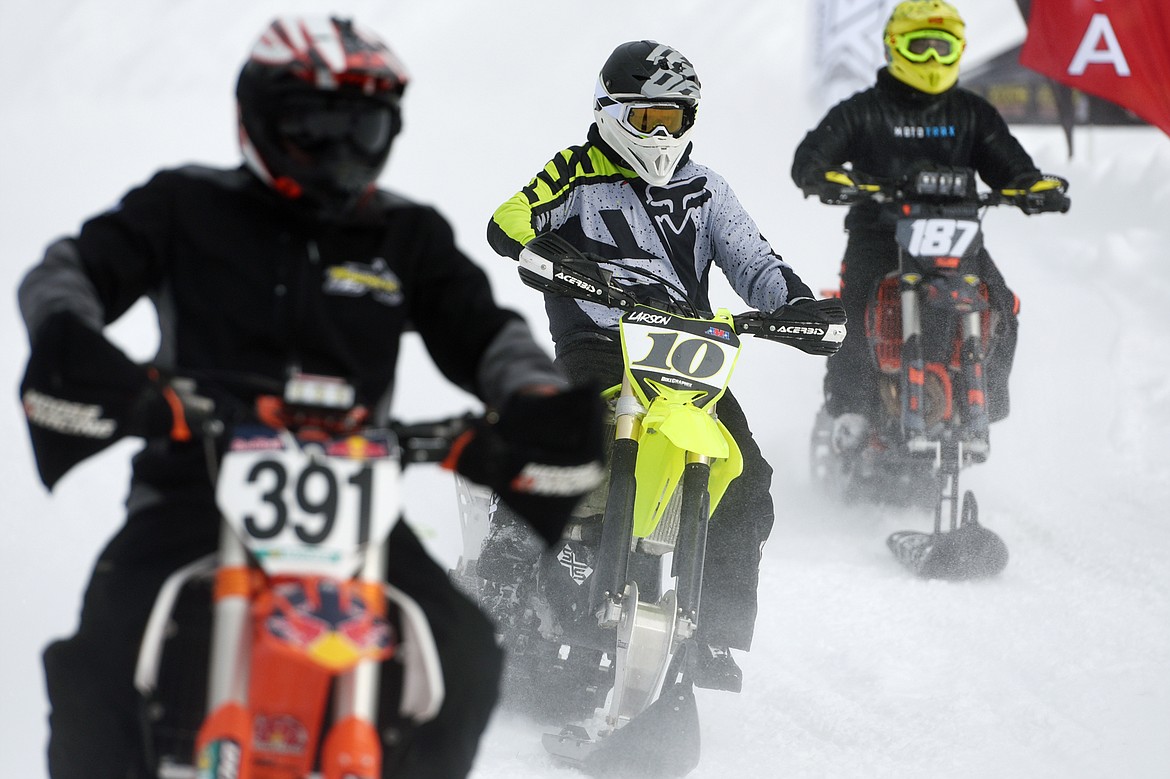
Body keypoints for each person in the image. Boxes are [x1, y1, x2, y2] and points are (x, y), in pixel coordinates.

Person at [17, 16, 602, 779]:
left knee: (465, 657)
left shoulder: (405, 234)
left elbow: (490, 333)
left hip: (355, 512)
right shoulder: (181, 205)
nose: (341, 148)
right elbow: (65, 271)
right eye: (315, 123)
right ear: (258, 114)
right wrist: (81, 345)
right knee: (96, 664)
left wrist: (531, 392)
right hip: (191, 491)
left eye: (363, 126)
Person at [482, 40, 841, 694]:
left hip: (684, 352)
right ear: (612, 111)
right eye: (649, 119)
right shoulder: (576, 170)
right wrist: (551, 253)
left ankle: (712, 631)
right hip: (597, 343)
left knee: (748, 474)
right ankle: (500, 572)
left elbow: (756, 264)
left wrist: (795, 308)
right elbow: (510, 219)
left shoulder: (707, 189)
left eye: (675, 120)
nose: (662, 134)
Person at [791, 0, 1070, 454]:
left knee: (1001, 305)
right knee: (850, 314)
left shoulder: (972, 114)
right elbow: (811, 159)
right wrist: (827, 178)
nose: (934, 60)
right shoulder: (861, 111)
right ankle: (850, 409)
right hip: (879, 235)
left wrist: (1032, 187)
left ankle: (984, 403)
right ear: (894, 48)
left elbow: (1011, 166)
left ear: (959, 49)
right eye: (921, 47)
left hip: (956, 238)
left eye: (944, 48)